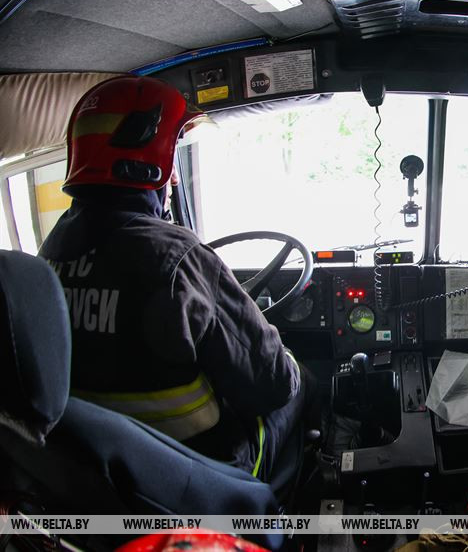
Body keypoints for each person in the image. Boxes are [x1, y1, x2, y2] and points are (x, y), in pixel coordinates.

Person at [38, 76, 313, 482]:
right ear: (145, 161)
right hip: (203, 473)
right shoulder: (176, 257)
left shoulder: (50, 252)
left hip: (103, 473)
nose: (175, 181)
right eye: (172, 163)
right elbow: (272, 384)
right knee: (300, 378)